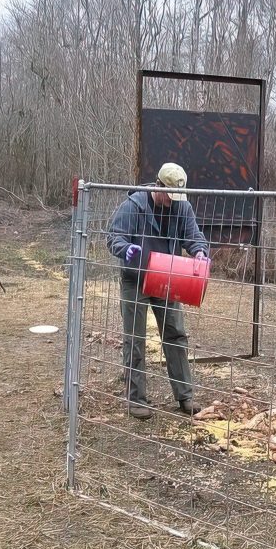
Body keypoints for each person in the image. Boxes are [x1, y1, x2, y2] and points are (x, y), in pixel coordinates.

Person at [106, 162, 209, 419]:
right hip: (136, 279)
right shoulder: (134, 205)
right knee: (135, 338)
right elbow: (114, 236)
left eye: (177, 196)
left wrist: (199, 252)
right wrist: (125, 249)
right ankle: (136, 399)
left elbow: (193, 236)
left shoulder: (181, 206)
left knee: (175, 334)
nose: (172, 201)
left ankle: (185, 396)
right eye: (169, 195)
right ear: (158, 185)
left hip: (167, 278)